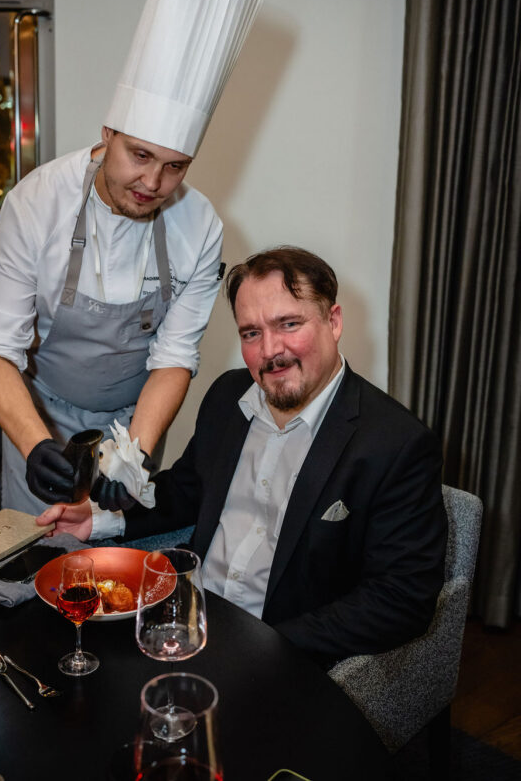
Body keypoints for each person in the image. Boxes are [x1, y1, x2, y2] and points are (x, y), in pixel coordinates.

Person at [37, 246, 448, 668]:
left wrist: (266, 647)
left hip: (282, 657)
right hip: (186, 621)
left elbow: (402, 599)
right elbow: (187, 490)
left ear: (334, 321)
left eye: (289, 324)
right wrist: (99, 519)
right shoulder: (227, 396)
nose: (270, 350)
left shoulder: (396, 444)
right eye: (251, 333)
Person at [0, 0, 262, 516]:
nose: (153, 183)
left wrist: (135, 453)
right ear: (107, 133)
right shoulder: (35, 205)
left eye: (175, 166)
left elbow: (174, 356)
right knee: (38, 551)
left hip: (133, 422)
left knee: (117, 552)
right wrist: (35, 446)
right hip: (38, 414)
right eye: (140, 155)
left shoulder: (200, 226)